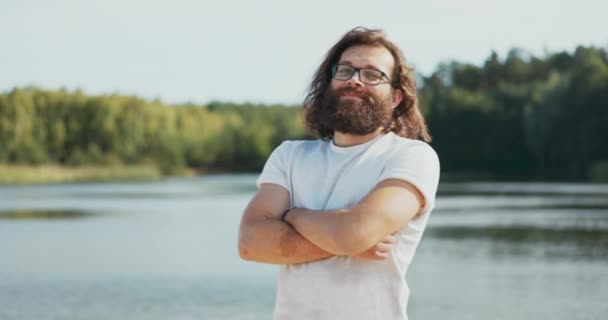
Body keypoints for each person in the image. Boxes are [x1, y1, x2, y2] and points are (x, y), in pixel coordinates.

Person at [238, 27, 440, 320]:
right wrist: (341, 240)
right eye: (345, 70)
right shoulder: (289, 156)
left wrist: (293, 216)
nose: (355, 80)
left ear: (395, 97)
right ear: (329, 82)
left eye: (372, 74)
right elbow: (250, 242)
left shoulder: (411, 156)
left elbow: (355, 234)